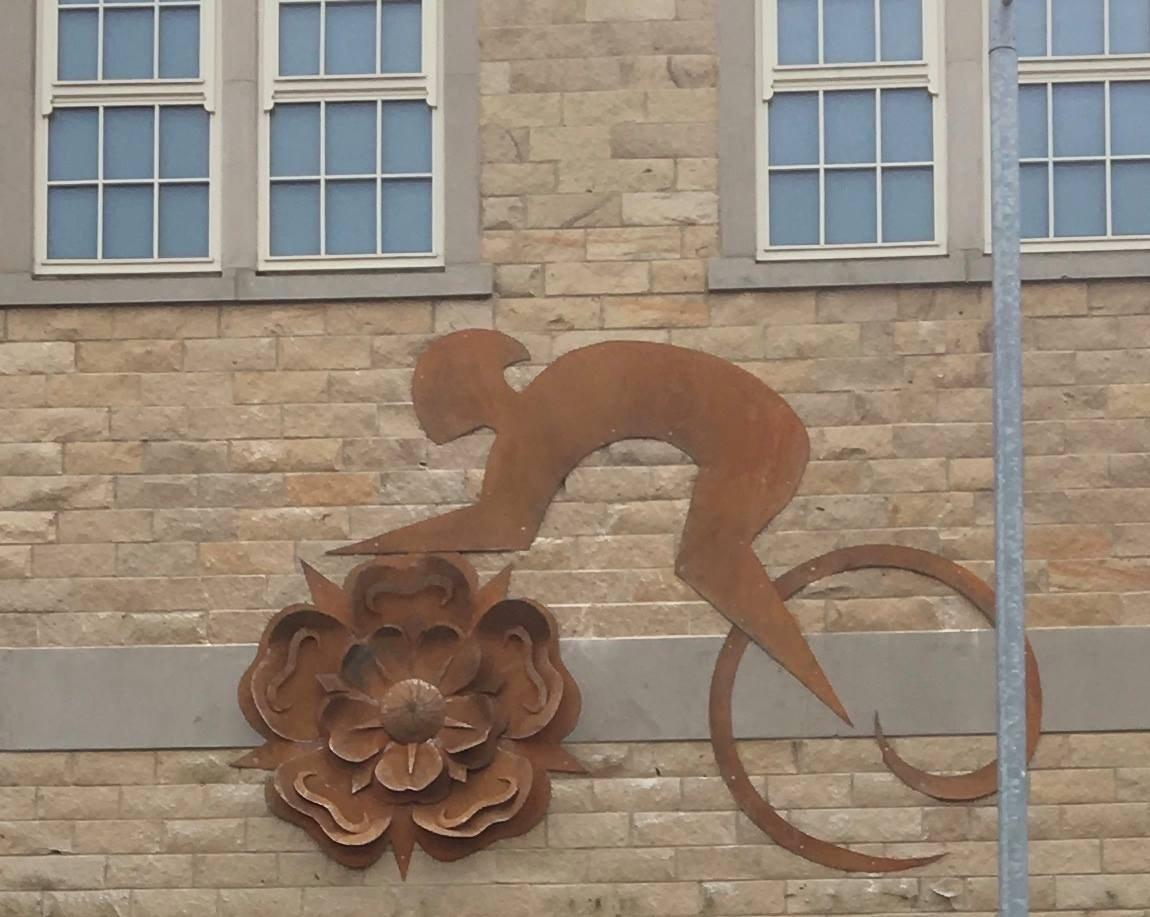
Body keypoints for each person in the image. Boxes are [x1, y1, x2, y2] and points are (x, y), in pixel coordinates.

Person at [334, 329, 850, 724]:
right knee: (706, 557)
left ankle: (821, 689)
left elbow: (505, 528)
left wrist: (371, 547)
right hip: (764, 427)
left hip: (759, 440)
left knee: (708, 559)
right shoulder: (554, 392)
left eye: (442, 408)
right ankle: (824, 689)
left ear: (464, 397)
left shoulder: (541, 418)